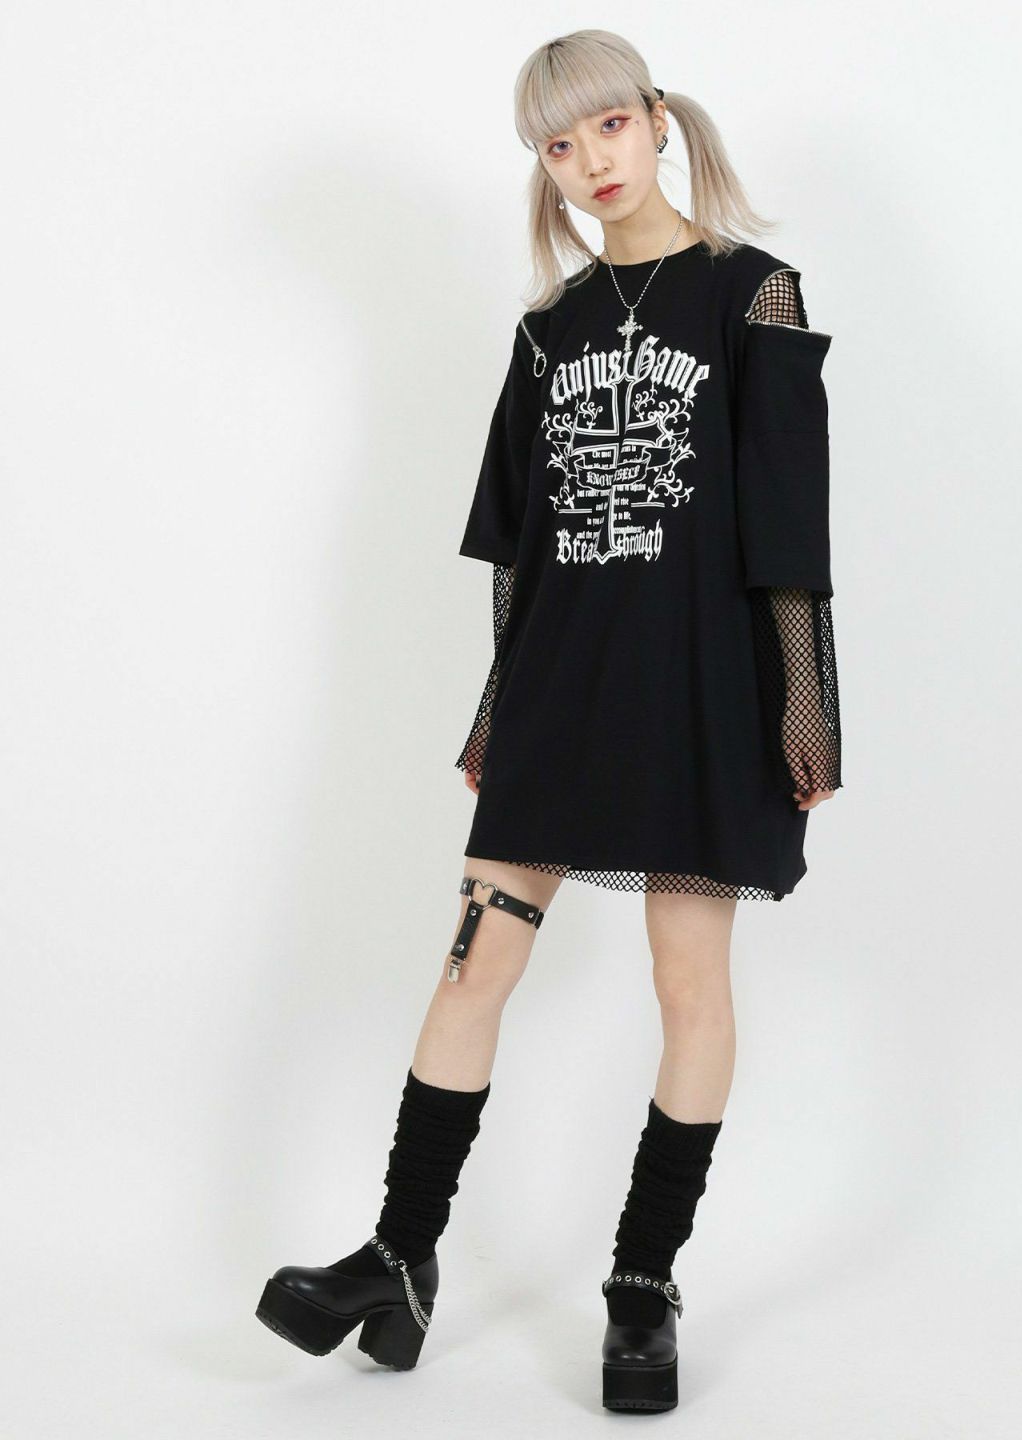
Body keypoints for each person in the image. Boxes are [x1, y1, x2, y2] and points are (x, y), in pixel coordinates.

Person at [255, 28, 844, 1414]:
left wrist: (808, 700)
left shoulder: (752, 294)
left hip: (703, 695)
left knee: (687, 987)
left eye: (608, 130)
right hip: (560, 700)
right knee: (474, 963)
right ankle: (399, 1259)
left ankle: (643, 1285)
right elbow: (520, 548)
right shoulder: (548, 329)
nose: (590, 165)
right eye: (559, 147)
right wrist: (494, 709)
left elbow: (788, 523)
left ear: (658, 120)